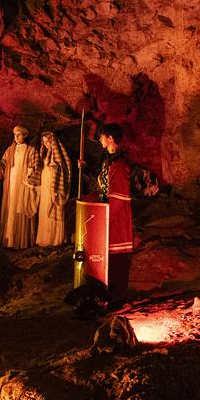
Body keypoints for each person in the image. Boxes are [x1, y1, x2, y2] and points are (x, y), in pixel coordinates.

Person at [79, 123, 133, 306]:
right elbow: (102, 186)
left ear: (110, 138)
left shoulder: (119, 165)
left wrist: (106, 220)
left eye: (102, 136)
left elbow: (116, 197)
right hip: (107, 215)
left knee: (117, 258)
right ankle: (108, 295)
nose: (100, 139)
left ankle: (118, 298)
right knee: (109, 257)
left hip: (116, 220)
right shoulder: (109, 161)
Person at [0, 125, 39, 249]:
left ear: (25, 135)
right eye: (14, 135)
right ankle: (9, 240)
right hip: (11, 184)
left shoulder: (31, 150)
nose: (16, 137)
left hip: (23, 184)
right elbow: (3, 164)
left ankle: (21, 241)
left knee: (21, 208)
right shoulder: (10, 150)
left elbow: (36, 166)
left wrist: (30, 173)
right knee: (11, 208)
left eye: (19, 135)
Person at [35, 131, 72, 247]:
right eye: (44, 142)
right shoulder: (45, 154)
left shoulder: (57, 155)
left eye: (48, 142)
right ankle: (45, 239)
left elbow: (64, 166)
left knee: (54, 208)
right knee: (44, 209)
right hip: (45, 184)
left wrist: (56, 168)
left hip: (53, 185)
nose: (46, 144)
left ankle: (55, 239)